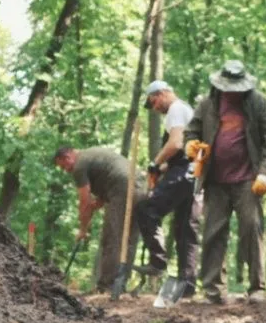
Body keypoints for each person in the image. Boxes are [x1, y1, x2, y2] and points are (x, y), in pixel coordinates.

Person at [184, 60, 266, 304]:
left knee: (251, 227)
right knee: (213, 232)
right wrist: (191, 145)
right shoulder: (208, 104)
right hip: (215, 179)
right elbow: (191, 130)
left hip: (248, 178)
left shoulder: (257, 102)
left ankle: (257, 287)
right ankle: (213, 290)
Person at [133, 80, 199, 296]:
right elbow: (183, 151)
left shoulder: (176, 109)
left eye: (153, 103)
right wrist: (162, 167)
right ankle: (187, 286)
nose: (154, 109)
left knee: (146, 209)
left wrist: (155, 162)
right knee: (184, 229)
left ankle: (158, 263)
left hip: (185, 172)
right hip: (194, 173)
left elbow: (176, 144)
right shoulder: (186, 109)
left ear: (160, 94)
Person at [52, 145, 144, 292]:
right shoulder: (92, 156)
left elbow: (84, 201)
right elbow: (100, 196)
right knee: (129, 240)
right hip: (140, 186)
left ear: (67, 157)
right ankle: (119, 285)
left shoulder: (79, 167)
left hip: (122, 189)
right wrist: (93, 207)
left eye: (64, 166)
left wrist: (83, 229)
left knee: (111, 237)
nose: (66, 171)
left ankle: (107, 286)